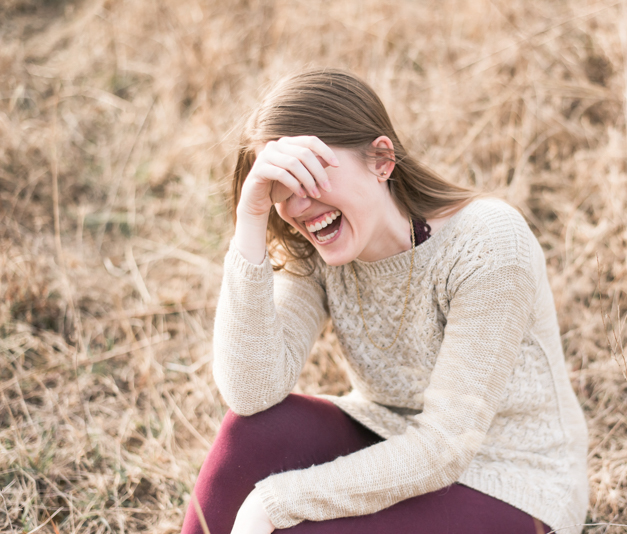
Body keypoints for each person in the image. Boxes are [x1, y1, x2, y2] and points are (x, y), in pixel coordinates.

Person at [181, 69, 588, 534]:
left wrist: (274, 502)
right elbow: (251, 392)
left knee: (302, 529)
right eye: (281, 186)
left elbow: (445, 446)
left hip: (508, 476)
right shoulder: (316, 250)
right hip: (384, 435)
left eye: (312, 175)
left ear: (381, 160)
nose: (297, 206)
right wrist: (250, 219)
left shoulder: (487, 242)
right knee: (248, 433)